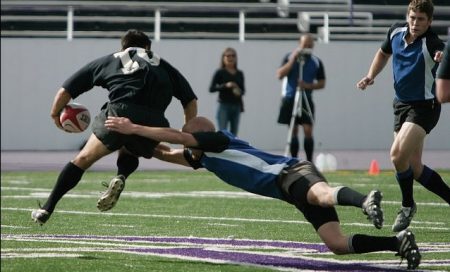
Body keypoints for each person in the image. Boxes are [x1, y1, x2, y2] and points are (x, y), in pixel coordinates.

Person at [104, 115, 421, 270]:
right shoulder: (202, 157)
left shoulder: (215, 141)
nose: (184, 144)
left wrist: (134, 128)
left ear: (197, 138)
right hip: (287, 189)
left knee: (319, 193)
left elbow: (174, 137)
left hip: (291, 172)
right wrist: (128, 139)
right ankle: (398, 243)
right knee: (336, 244)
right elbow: (166, 152)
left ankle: (365, 201)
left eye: (188, 139)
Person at [31, 29, 198, 225]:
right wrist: (188, 133)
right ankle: (121, 175)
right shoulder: (164, 65)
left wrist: (54, 115)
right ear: (148, 47)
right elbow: (190, 100)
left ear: (123, 47)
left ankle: (47, 208)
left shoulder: (110, 59)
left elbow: (66, 90)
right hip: (154, 122)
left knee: (83, 158)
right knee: (131, 149)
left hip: (119, 114)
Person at [356, 0, 449, 232]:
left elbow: (445, 56)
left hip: (425, 107)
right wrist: (370, 75)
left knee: (397, 156)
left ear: (430, 21)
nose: (415, 23)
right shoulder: (396, 31)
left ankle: (407, 206)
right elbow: (383, 53)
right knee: (414, 167)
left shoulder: (433, 43)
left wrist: (442, 58)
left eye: (421, 19)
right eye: (412, 17)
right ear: (407, 16)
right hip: (401, 105)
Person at [276, 33, 325, 161]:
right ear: (299, 45)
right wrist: (293, 59)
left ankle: (309, 160)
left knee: (308, 129)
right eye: (305, 45)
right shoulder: (289, 57)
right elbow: (280, 74)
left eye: (310, 45)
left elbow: (322, 83)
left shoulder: (316, 61)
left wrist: (307, 85)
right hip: (290, 96)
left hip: (306, 98)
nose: (307, 47)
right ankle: (294, 160)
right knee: (293, 130)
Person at [209, 47, 245, 135]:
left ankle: (232, 149)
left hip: (236, 106)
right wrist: (225, 85)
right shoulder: (220, 72)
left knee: (234, 133)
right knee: (223, 132)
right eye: (228, 56)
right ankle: (223, 149)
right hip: (223, 105)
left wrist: (237, 89)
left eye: (233, 56)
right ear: (223, 58)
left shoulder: (239, 73)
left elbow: (243, 91)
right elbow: (211, 88)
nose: (230, 58)